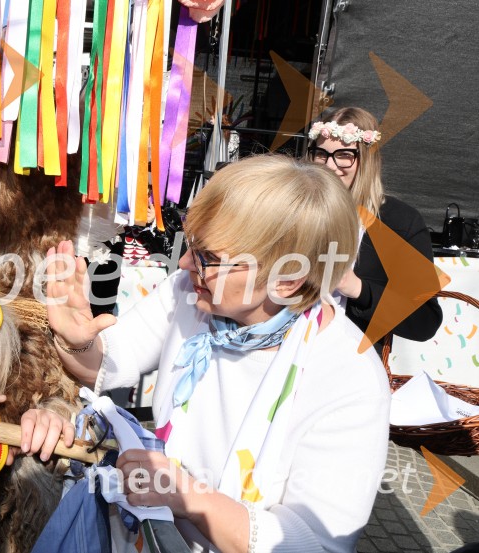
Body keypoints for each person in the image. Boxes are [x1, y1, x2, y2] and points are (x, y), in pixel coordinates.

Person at [45, 155, 390, 552]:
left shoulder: (350, 377)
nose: (186, 263)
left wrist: (186, 495)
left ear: (289, 281)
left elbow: (315, 543)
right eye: (192, 245)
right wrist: (77, 337)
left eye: (210, 258)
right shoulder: (190, 291)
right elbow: (111, 364)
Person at [308, 107, 443, 343]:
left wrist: (358, 289)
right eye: (321, 154)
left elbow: (425, 321)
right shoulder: (293, 208)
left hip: (350, 361)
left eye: (344, 155)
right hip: (285, 347)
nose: (329, 166)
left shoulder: (400, 222)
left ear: (367, 160)